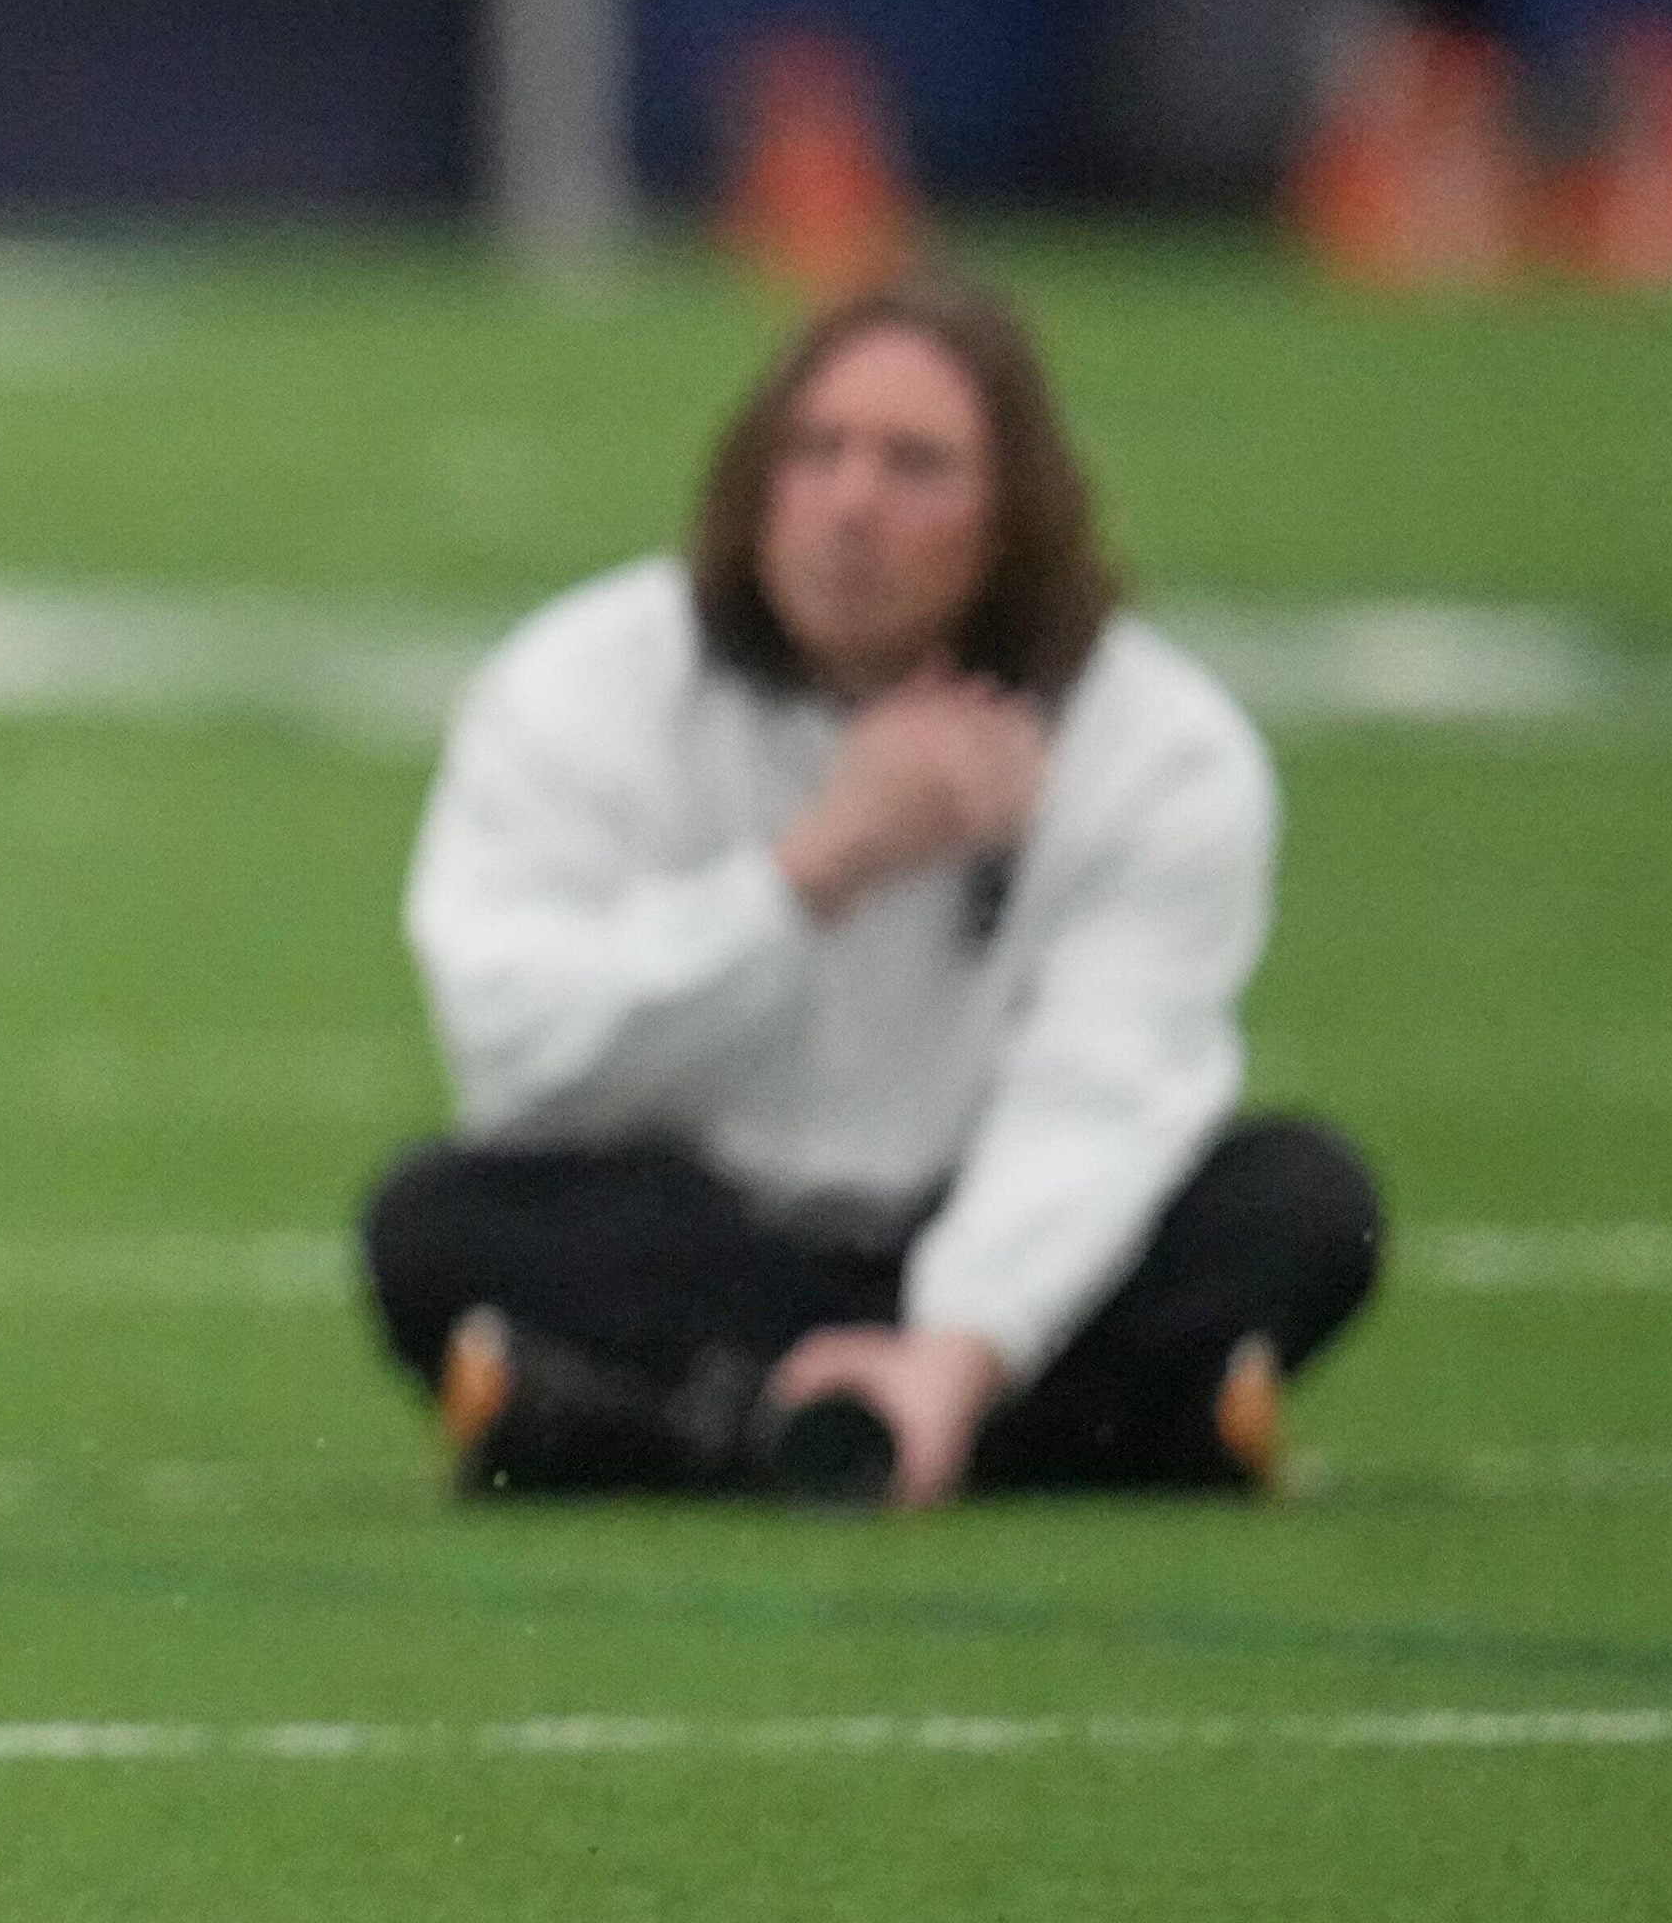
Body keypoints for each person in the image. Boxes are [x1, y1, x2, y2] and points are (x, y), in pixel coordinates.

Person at [363, 279, 1383, 1507]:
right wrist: (810, 873)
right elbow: (512, 1050)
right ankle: (1087, 1437)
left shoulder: (1157, 747)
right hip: (709, 1234)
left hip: (1017, 1258)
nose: (851, 504)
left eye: (915, 466)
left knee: (1302, 1205)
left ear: (1012, 517)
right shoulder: (584, 684)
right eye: (814, 451)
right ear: (753, 482)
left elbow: (1104, 1094)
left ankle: (675, 1432)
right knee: (435, 1223)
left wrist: (956, 1349)